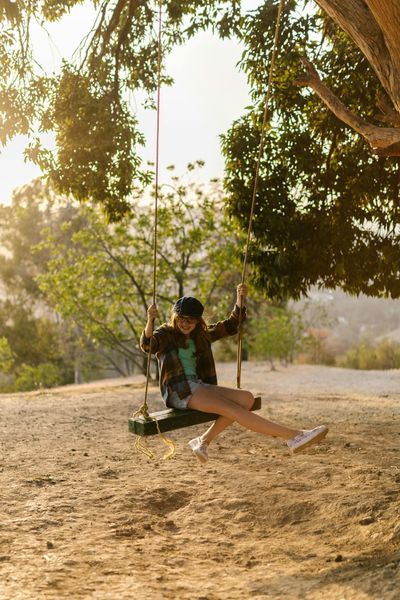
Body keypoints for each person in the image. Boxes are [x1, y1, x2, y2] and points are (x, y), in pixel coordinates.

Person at [140, 284, 328, 464]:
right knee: (233, 410)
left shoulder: (201, 335)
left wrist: (240, 299)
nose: (185, 323)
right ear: (175, 317)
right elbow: (148, 345)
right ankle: (293, 436)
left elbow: (231, 325)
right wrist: (150, 320)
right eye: (181, 318)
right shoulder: (166, 333)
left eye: (191, 320)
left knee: (246, 399)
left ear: (198, 321)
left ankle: (202, 442)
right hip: (179, 390)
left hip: (197, 386)